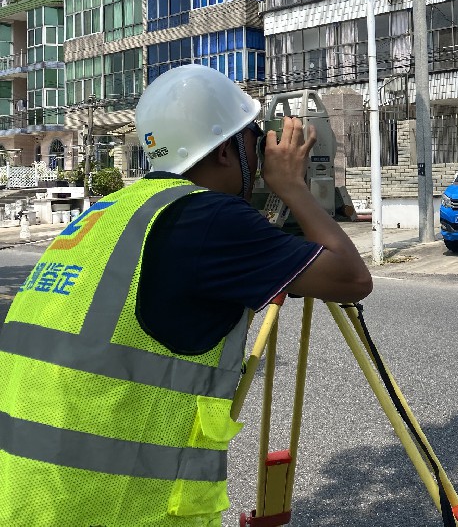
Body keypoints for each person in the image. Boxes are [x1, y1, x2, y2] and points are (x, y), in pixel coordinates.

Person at [0, 64, 372, 526]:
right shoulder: (209, 219)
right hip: (111, 508)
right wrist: (294, 187)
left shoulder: (111, 210)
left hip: (25, 494)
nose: (262, 154)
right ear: (225, 150)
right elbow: (352, 279)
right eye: (254, 139)